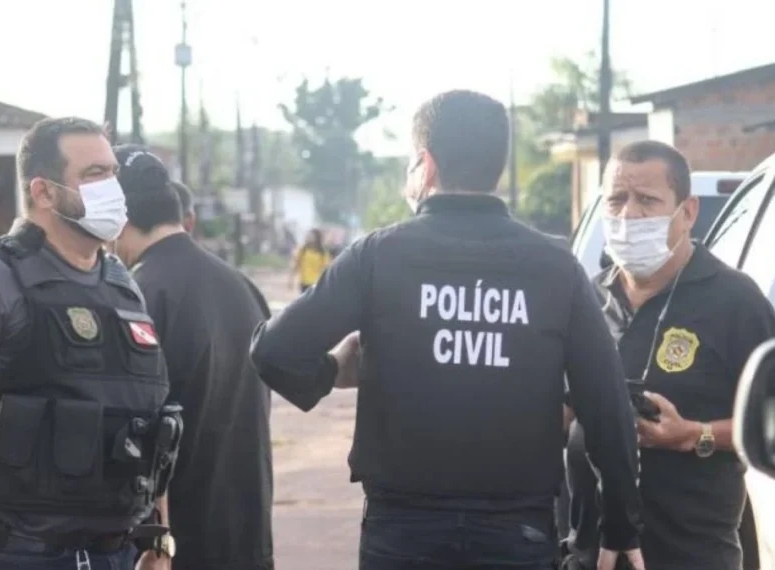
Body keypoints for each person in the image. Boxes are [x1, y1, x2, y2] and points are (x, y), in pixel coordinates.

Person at [250, 90, 644, 570]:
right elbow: (607, 404)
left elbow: (273, 349)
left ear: (425, 164)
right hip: (517, 530)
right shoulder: (554, 266)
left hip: (403, 529)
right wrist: (621, 526)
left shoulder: (378, 256)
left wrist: (332, 370)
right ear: (497, 169)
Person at [0, 117, 181, 570]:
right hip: (22, 552)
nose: (113, 187)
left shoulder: (124, 287)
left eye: (113, 172)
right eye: (94, 174)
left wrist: (159, 538)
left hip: (119, 552)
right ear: (43, 191)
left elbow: (150, 424)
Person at [562, 140, 775, 570]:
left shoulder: (735, 302)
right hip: (592, 555)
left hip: (691, 555)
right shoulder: (583, 300)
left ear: (688, 211)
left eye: (647, 200)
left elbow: (769, 424)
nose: (629, 215)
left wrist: (694, 434)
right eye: (617, 200)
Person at [111, 146, 275, 570]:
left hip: (173, 544)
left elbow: (131, 436)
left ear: (115, 217)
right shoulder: (242, 286)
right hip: (247, 534)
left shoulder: (136, 297)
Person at [289, 228, 331, 293]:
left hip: (317, 283)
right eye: (308, 235)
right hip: (304, 282)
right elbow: (296, 265)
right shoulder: (302, 250)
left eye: (311, 236)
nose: (309, 237)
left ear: (317, 238)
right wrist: (291, 279)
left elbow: (326, 269)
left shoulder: (323, 253)